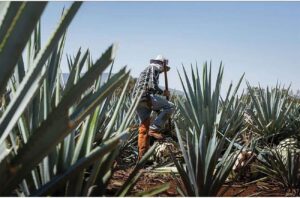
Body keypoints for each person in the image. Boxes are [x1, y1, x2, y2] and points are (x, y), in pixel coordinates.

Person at [132, 55, 175, 160]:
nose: (162, 71)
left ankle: (142, 158)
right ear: (161, 64)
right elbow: (152, 86)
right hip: (145, 96)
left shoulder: (146, 70)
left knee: (143, 129)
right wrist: (163, 92)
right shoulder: (153, 68)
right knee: (170, 107)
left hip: (137, 100)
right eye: (163, 68)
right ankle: (154, 129)